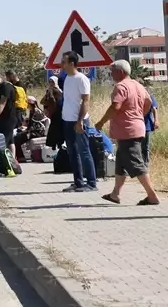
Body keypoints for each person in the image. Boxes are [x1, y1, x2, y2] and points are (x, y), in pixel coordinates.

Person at [95, 60, 159, 206]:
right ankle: (115, 194)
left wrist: (101, 122)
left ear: (120, 72)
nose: (111, 75)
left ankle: (152, 196)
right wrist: (139, 115)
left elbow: (115, 107)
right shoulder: (138, 85)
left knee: (136, 164)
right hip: (136, 127)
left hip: (127, 130)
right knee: (121, 163)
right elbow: (148, 102)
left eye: (113, 72)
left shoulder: (121, 86)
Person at [60, 52, 98, 192]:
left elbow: (85, 101)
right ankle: (78, 182)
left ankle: (92, 183)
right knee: (72, 151)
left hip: (79, 120)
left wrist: (80, 120)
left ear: (71, 63)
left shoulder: (81, 79)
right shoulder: (67, 79)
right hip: (67, 120)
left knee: (84, 151)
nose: (61, 64)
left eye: (64, 61)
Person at [0, 70, 18, 165]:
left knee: (3, 141)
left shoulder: (6, 86)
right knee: (10, 141)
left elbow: (3, 102)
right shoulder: (0, 88)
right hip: (4, 118)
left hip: (9, 118)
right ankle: (12, 162)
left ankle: (5, 163)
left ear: (0, 77)